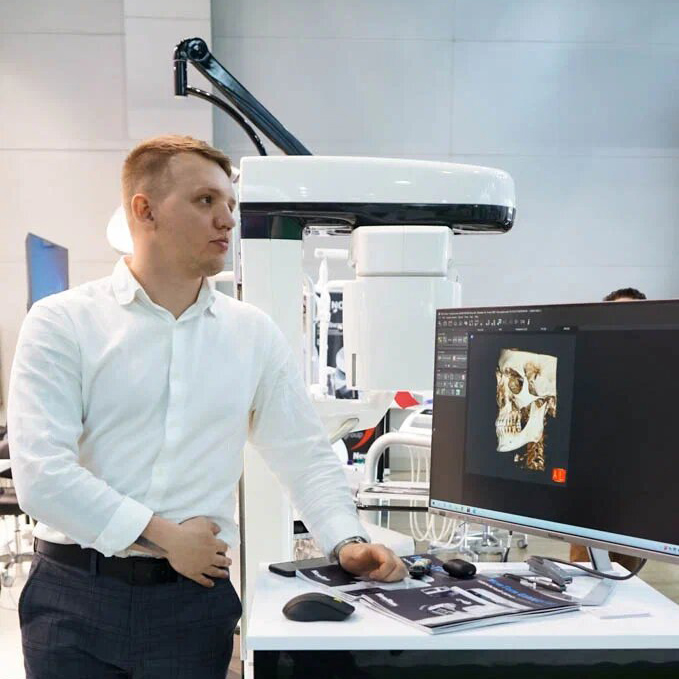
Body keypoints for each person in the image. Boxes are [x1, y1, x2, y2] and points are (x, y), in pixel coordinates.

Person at [8, 135, 407, 678]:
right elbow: (43, 477)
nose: (227, 219)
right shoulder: (63, 323)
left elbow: (305, 456)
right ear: (144, 210)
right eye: (205, 201)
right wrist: (167, 536)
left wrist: (347, 540)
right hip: (75, 596)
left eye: (230, 204)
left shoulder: (252, 334)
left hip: (190, 602)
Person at [569, 286, 646, 573]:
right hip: (590, 482)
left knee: (627, 568)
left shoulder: (656, 364)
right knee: (584, 565)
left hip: (634, 483)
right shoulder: (588, 358)